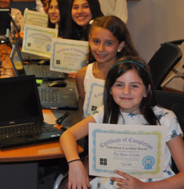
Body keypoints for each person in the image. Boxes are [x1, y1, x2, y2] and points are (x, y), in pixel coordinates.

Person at [60, 56, 184, 189]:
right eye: (119, 85)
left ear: (147, 90)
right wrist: (75, 163)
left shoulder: (165, 119)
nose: (126, 92)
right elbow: (67, 135)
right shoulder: (106, 113)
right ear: (110, 89)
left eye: (134, 86)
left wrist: (143, 186)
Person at [75, 16, 139, 118]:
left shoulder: (131, 76)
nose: (100, 49)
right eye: (96, 41)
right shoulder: (82, 75)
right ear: (89, 40)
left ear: (120, 46)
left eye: (108, 43)